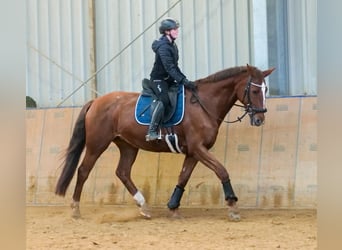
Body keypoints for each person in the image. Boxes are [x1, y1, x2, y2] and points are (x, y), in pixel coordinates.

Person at [146, 17, 196, 141]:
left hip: (168, 79)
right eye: (174, 29)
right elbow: (169, 68)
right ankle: (152, 131)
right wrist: (183, 81)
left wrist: (185, 80)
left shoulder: (172, 45)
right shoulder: (163, 47)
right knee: (163, 100)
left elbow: (175, 67)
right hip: (158, 80)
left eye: (176, 29)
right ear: (167, 31)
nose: (176, 31)